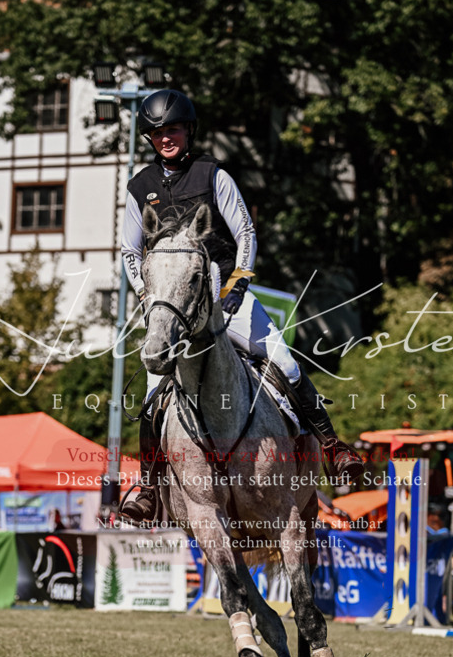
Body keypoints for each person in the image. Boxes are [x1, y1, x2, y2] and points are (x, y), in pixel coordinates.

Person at [120, 88, 363, 522]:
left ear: (187, 130)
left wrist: (236, 286)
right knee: (154, 393)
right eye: (157, 133)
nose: (166, 138)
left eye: (172, 129)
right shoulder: (139, 188)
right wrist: (146, 293)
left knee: (284, 364)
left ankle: (333, 449)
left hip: (225, 296)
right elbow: (129, 253)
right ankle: (149, 489)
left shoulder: (214, 175)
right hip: (174, 312)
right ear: (150, 138)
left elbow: (246, 233)